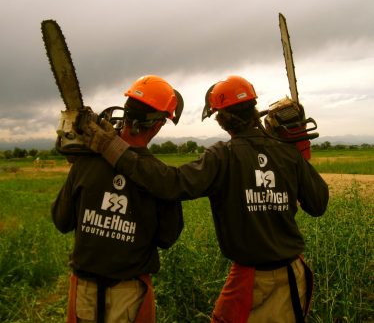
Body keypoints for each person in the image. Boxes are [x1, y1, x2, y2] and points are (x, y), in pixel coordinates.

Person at [82, 75, 329, 323]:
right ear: (254, 110)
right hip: (293, 277)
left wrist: (111, 147)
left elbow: (171, 184)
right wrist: (295, 152)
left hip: (250, 282)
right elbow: (318, 204)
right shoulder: (287, 153)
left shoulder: (223, 157)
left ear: (221, 120)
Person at [51, 75, 184, 323]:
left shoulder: (85, 162)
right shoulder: (159, 177)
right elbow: (168, 236)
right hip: (130, 294)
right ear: (157, 125)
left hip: (84, 292)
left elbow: (61, 220)